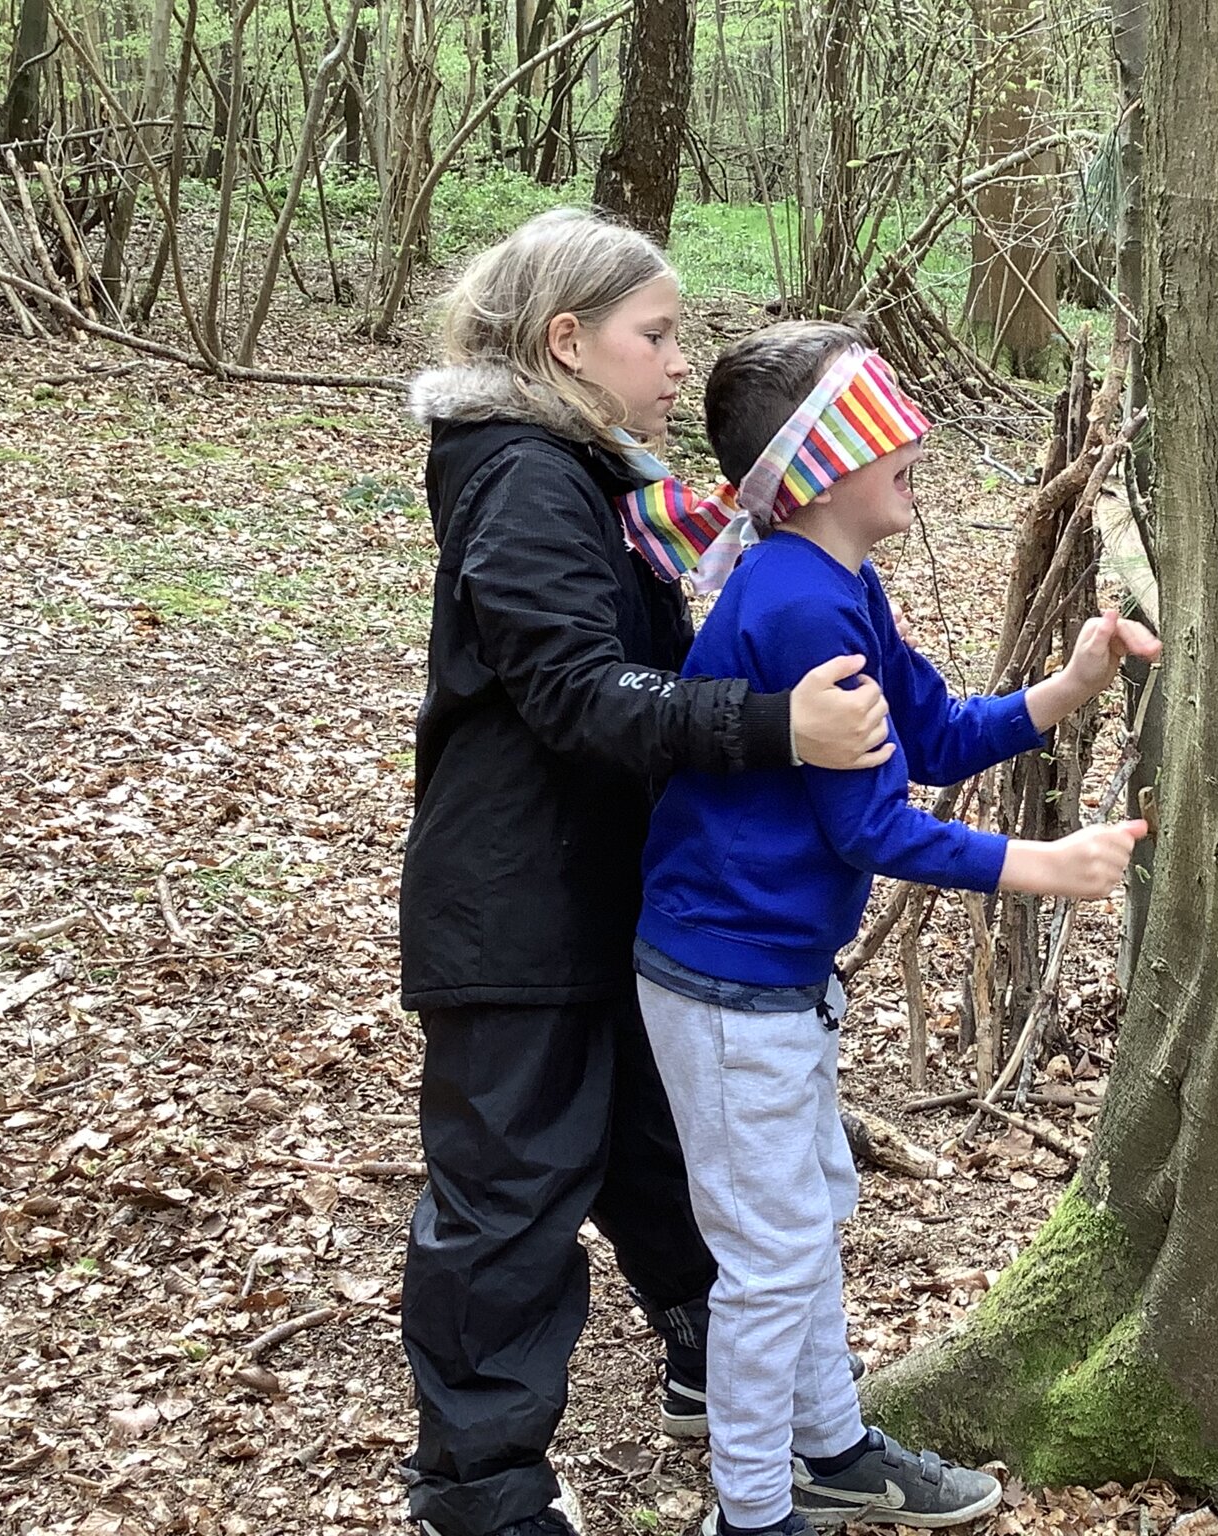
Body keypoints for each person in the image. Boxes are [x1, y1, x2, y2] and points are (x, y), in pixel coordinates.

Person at [399, 213, 894, 1536]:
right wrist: (772, 727)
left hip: (613, 890)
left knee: (657, 1149)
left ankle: (712, 1360)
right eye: (656, 337)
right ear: (568, 342)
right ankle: (482, 1497)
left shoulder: (590, 472)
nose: (681, 365)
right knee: (508, 1208)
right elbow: (576, 693)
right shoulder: (522, 478)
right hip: (512, 912)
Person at [632, 320, 1160, 1536]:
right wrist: (1037, 864)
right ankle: (752, 1513)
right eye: (887, 422)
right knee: (767, 1260)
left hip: (767, 976)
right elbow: (869, 826)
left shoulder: (834, 584)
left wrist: (1066, 686)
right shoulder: (796, 604)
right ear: (826, 463)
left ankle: (825, 1450)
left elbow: (926, 730)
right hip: (727, 979)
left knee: (807, 1214)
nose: (916, 434)